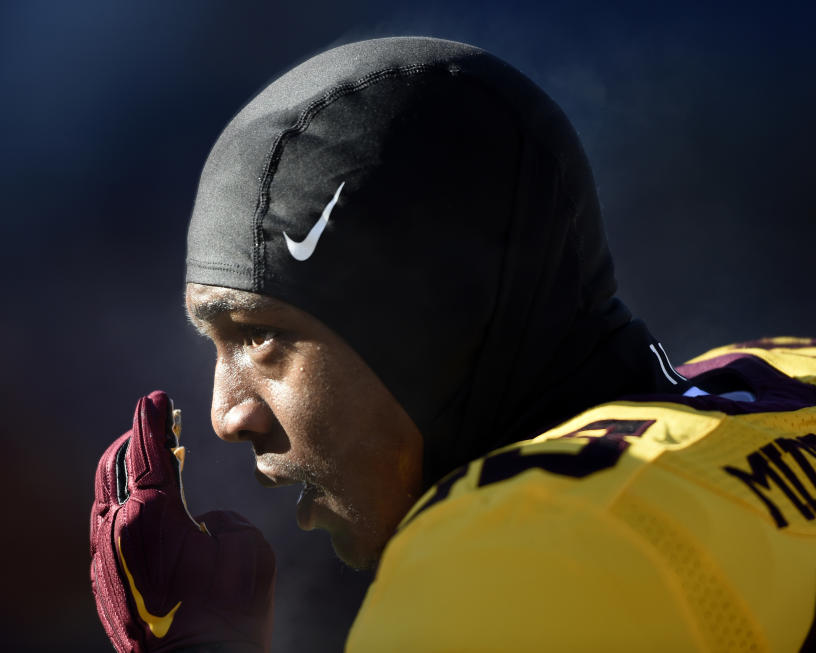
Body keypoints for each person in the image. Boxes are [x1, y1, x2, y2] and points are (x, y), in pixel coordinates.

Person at [89, 37, 816, 652]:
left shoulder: (512, 557)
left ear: (428, 319)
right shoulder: (786, 367)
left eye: (261, 334)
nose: (225, 413)